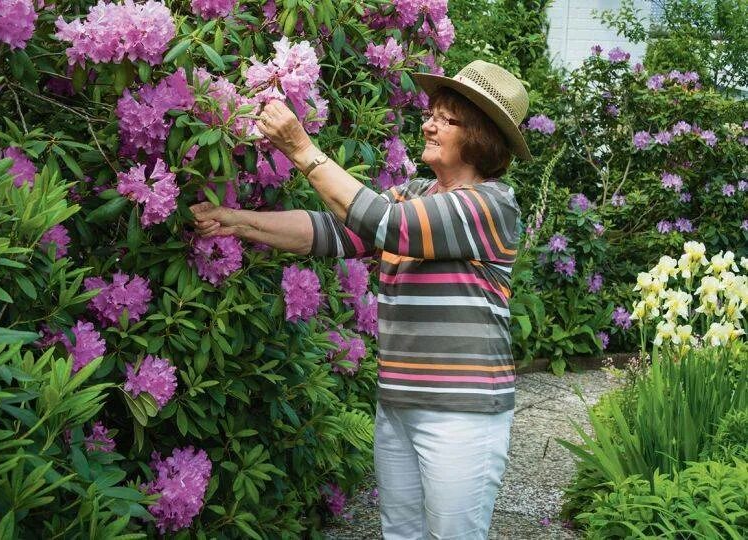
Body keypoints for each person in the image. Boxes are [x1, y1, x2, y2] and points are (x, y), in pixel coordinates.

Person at [192, 60, 531, 539]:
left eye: (445, 118)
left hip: (462, 414)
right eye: (430, 112)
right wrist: (236, 220)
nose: (428, 124)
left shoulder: (491, 204)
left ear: (480, 136)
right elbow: (333, 232)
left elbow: (390, 227)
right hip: (398, 404)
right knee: (400, 534)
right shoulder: (414, 193)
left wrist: (300, 148)